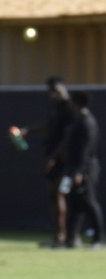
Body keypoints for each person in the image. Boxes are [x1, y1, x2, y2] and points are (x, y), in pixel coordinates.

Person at [13, 76, 75, 248]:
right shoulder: (55, 107)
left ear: (64, 87)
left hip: (64, 159)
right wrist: (28, 131)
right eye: (51, 91)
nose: (54, 94)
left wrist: (53, 158)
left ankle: (65, 236)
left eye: (57, 90)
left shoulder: (70, 108)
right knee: (53, 196)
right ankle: (59, 236)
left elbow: (68, 138)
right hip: (53, 156)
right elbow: (50, 126)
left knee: (60, 195)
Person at [62, 91, 106, 249]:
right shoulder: (78, 121)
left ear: (77, 102)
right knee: (74, 203)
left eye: (72, 101)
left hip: (86, 169)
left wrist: (79, 171)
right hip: (74, 167)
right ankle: (71, 239)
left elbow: (85, 150)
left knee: (89, 201)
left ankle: (99, 239)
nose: (69, 105)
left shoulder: (88, 122)